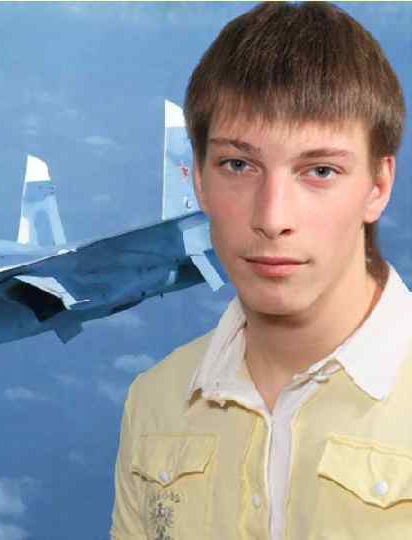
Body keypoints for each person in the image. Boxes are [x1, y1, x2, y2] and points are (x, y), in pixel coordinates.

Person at [111, 3, 411, 539]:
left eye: (320, 171)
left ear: (377, 186)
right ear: (198, 180)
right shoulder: (154, 403)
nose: (272, 218)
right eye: (238, 165)